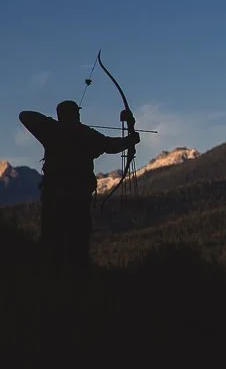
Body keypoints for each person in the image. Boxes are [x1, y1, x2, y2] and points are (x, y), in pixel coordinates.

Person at [19, 100, 140, 268]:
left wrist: (54, 124)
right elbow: (109, 145)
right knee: (77, 242)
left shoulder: (51, 131)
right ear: (74, 114)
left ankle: (52, 275)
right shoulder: (84, 134)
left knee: (52, 239)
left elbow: (24, 115)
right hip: (78, 197)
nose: (78, 116)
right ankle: (75, 275)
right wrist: (130, 140)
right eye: (76, 113)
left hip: (53, 196)